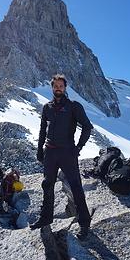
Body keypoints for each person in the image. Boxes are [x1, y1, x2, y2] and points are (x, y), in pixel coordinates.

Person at [30, 74, 93, 240]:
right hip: (50, 152)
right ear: (52, 88)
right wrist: (40, 150)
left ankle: (84, 223)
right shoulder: (47, 107)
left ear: (65, 88)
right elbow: (43, 129)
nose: (58, 88)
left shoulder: (73, 106)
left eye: (61, 86)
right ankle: (46, 218)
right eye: (55, 86)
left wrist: (78, 148)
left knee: (76, 187)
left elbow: (87, 127)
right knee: (47, 185)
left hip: (67, 152)